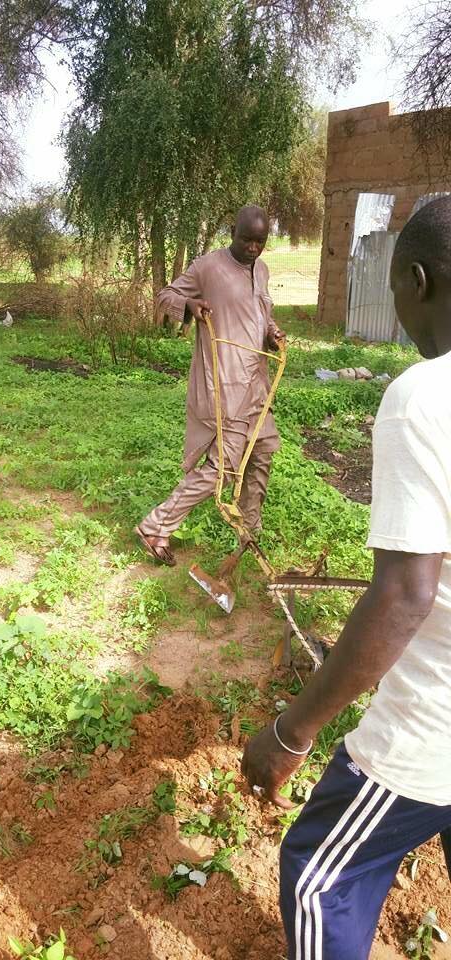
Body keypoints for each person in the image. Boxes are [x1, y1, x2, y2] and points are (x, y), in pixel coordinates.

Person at [242, 195, 451, 960]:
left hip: (434, 725)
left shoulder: (425, 397)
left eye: (395, 288)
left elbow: (404, 594)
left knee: (317, 878)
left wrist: (290, 732)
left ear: (417, 283)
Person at [135, 205, 285, 567]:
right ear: (232, 232)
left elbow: (259, 316)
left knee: (262, 453)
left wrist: (272, 332)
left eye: (260, 242)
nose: (253, 248)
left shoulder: (261, 270)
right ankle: (155, 525)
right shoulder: (208, 266)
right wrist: (190, 304)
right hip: (225, 384)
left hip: (257, 385)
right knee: (223, 468)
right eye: (246, 239)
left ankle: (249, 535)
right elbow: (164, 296)